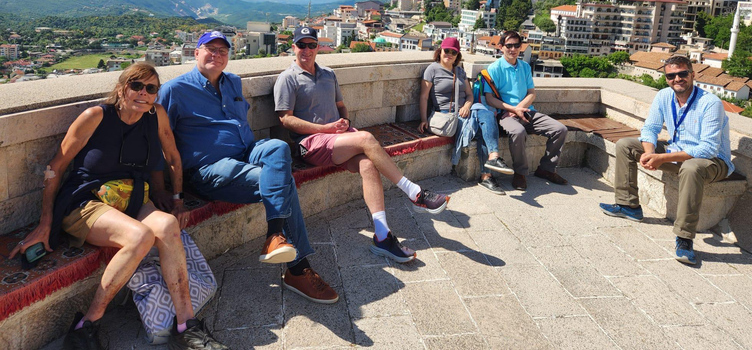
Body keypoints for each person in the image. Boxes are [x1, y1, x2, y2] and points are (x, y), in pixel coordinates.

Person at [10, 63, 227, 350]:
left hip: (132, 197)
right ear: (121, 88)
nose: (143, 94)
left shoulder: (156, 115)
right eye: (136, 86)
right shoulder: (96, 117)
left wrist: (176, 198)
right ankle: (87, 324)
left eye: (151, 89)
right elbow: (55, 167)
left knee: (167, 225)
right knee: (139, 236)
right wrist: (45, 222)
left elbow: (172, 155)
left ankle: (187, 325)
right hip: (87, 200)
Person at [157, 31, 338, 304]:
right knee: (283, 181)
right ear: (195, 52)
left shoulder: (233, 82)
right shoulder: (175, 90)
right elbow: (161, 146)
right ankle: (297, 268)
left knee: (278, 148)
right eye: (210, 49)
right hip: (210, 168)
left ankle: (275, 234)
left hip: (245, 153)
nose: (217, 55)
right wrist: (170, 194)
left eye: (223, 51)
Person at [274, 27, 450, 264]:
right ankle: (415, 192)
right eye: (301, 45)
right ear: (293, 47)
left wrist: (345, 120)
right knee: (367, 139)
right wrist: (325, 129)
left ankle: (382, 236)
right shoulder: (288, 78)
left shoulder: (328, 74)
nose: (306, 50)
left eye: (311, 45)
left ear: (318, 48)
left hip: (339, 139)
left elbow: (341, 106)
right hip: (311, 143)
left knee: (368, 165)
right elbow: (286, 119)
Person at [599, 55, 733, 265]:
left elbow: (707, 149)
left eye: (682, 74)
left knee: (691, 168)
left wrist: (661, 157)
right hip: (676, 150)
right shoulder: (664, 97)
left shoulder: (710, 103)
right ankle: (628, 206)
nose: (677, 79)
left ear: (692, 75)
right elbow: (650, 129)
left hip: (714, 161)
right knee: (626, 145)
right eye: (671, 75)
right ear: (666, 78)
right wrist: (649, 153)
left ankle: (684, 238)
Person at [418, 37, 513, 194]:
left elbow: (469, 95)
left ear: (457, 55)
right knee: (486, 117)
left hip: (467, 112)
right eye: (446, 51)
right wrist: (423, 119)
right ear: (440, 51)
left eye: (453, 52)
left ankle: (490, 165)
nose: (449, 54)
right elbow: (424, 97)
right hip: (448, 116)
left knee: (486, 117)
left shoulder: (459, 71)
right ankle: (488, 172)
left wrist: (468, 105)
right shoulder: (432, 70)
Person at [483, 30, 568, 190]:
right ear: (501, 47)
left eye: (516, 45)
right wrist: (514, 110)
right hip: (506, 114)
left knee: (560, 129)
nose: (513, 49)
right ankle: (520, 173)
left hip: (527, 111)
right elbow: (490, 99)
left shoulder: (524, 67)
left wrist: (520, 108)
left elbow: (531, 93)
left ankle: (547, 169)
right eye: (509, 45)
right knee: (518, 132)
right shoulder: (494, 68)